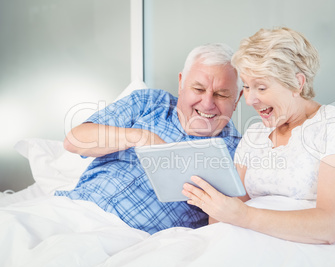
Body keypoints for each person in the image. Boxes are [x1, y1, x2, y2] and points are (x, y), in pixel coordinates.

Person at [182, 27, 335, 244]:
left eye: (261, 88)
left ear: (297, 84)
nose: (250, 100)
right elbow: (225, 213)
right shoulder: (255, 135)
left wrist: (243, 216)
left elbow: (329, 227)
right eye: (246, 86)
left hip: (304, 250)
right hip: (240, 243)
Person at [56, 43, 243, 234]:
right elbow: (74, 140)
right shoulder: (148, 102)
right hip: (73, 207)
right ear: (181, 83)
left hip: (128, 236)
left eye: (221, 94)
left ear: (237, 99)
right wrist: (140, 137)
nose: (207, 103)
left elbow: (221, 230)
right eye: (198, 89)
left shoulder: (239, 152)